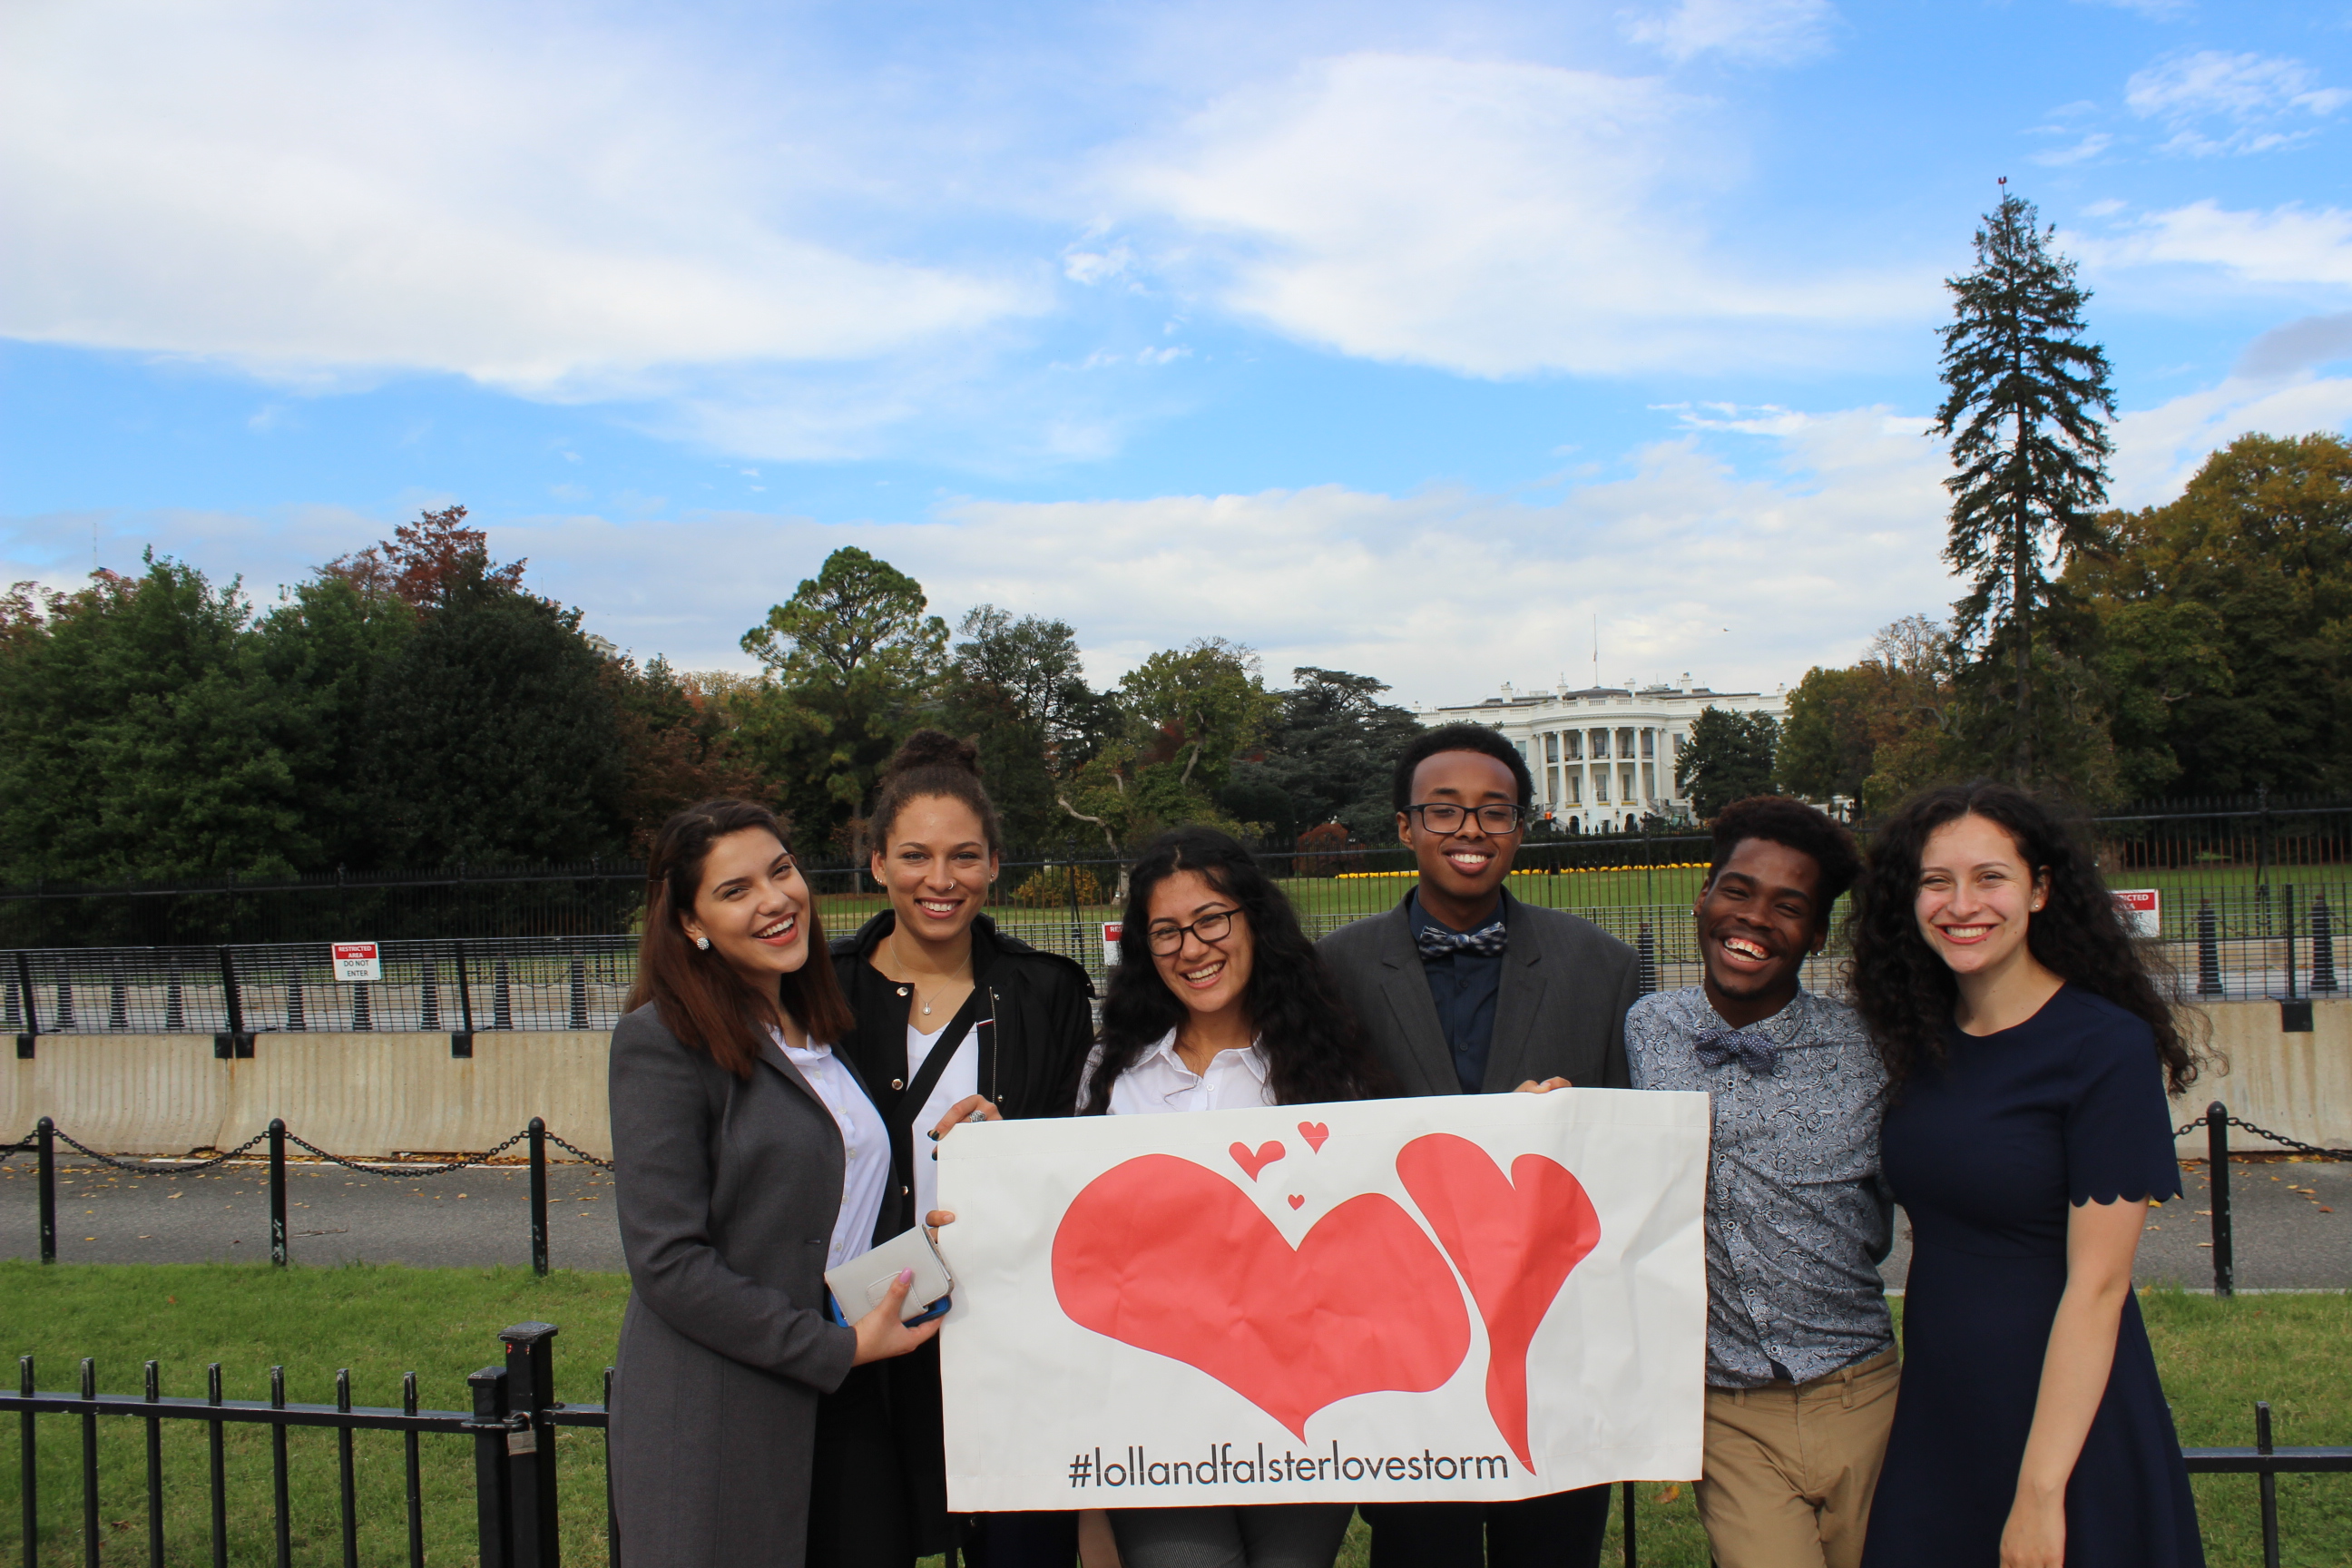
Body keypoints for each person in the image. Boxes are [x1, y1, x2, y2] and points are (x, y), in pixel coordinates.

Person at [1848, 783, 2204, 1568]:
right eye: (1935, 881)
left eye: (1990, 878)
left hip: (2063, 1425)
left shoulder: (2102, 1047)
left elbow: (2099, 1288)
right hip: (1944, 1409)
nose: (1960, 903)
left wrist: (2042, 1494)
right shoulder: (1920, 1040)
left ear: (2040, 890)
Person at [1317, 722, 1638, 1568]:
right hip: (1403, 1350)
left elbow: (1629, 1163)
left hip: (1553, 1349)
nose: (1470, 831)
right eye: (1446, 811)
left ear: (1521, 827)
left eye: (1493, 813)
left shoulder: (1598, 968)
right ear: (1405, 828)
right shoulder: (1334, 971)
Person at [608, 799, 945, 1568]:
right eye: (735, 891)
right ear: (690, 923)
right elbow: (667, 1262)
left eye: (782, 871)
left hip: (849, 1393)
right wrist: (832, 1347)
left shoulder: (820, 1030)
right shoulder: (658, 1042)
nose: (774, 900)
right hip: (727, 1404)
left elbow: (843, 1206)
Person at [1077, 825, 1391, 1568]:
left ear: (1254, 921)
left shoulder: (1327, 1068)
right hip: (1152, 1396)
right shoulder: (1113, 1073)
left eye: (1212, 919)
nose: (1193, 948)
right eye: (1165, 932)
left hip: (1301, 1399)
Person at [830, 730, 1098, 1567]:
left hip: (1009, 1324)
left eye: (964, 858)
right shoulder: (821, 987)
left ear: (994, 866)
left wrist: (1015, 1148)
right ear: (877, 862)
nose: (939, 881)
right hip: (865, 1324)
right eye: (915, 856)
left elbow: (1079, 1153)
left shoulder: (1049, 990)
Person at [1623, 797, 1896, 1568]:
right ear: (1703, 897)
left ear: (1814, 932)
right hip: (1728, 1407)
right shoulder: (1644, 1030)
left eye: (1788, 906)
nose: (1753, 919)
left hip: (1863, 1389)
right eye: (1737, 891)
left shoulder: (1870, 1048)